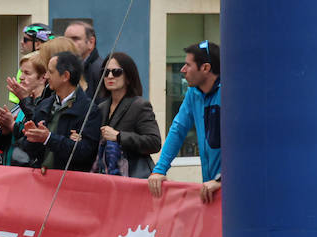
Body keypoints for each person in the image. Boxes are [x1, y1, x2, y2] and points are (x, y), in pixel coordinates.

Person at [149, 40, 222, 204]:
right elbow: (178, 129)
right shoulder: (193, 93)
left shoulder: (229, 92)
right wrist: (160, 170)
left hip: (231, 189)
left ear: (205, 68)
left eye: (188, 65)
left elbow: (244, 145)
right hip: (210, 187)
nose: (182, 70)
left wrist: (221, 180)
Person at [19, 50, 101, 172]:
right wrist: (32, 137)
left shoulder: (88, 110)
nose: (46, 76)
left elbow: (86, 153)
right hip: (41, 180)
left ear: (65, 76)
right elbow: (29, 150)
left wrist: (48, 138)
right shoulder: (44, 105)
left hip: (70, 184)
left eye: (51, 72)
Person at [94, 52, 161, 178]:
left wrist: (119, 137)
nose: (110, 76)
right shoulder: (101, 108)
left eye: (116, 72)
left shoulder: (140, 105)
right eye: (105, 72)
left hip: (133, 178)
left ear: (129, 77)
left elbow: (154, 142)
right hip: (107, 177)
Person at [63, 20, 105, 99]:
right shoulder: (66, 68)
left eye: (75, 39)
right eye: (66, 40)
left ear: (91, 42)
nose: (69, 43)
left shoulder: (101, 71)